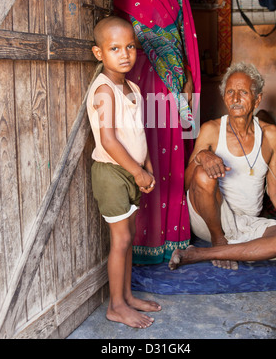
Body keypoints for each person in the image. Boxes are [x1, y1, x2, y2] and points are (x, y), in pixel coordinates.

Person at [112, 0, 201, 264]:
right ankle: (144, 245)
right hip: (140, 81)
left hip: (174, 84)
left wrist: (188, 80)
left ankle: (173, 240)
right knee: (144, 154)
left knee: (173, 155)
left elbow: (184, 32)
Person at [168, 62, 276, 271]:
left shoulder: (271, 135)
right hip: (210, 219)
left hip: (247, 222)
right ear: (224, 96)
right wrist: (201, 157)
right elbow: (185, 184)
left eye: (243, 92)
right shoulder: (211, 130)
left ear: (257, 99)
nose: (235, 99)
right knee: (203, 172)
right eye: (230, 92)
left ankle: (198, 254)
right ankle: (219, 242)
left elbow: (275, 188)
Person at [87, 16, 161, 328]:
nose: (125, 53)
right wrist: (136, 171)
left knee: (128, 237)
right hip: (112, 174)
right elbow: (108, 140)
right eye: (114, 48)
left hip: (131, 172)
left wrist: (146, 167)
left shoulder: (131, 87)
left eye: (130, 46)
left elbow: (136, 133)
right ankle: (116, 305)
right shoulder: (104, 90)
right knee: (119, 241)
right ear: (99, 53)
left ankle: (127, 295)